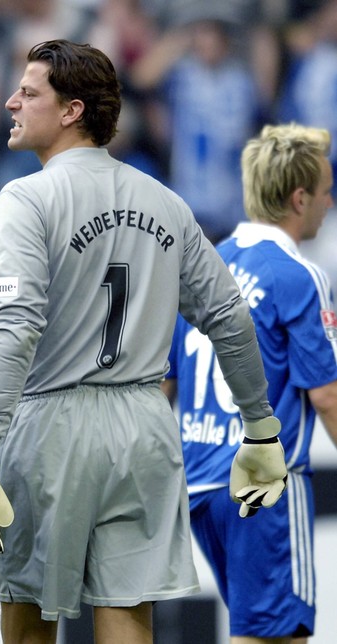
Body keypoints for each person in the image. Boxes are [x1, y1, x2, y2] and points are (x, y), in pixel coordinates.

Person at [0, 39, 287, 644]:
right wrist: (260, 427)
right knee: (128, 617)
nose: (10, 103)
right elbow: (229, 316)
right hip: (145, 423)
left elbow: (15, 324)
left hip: (52, 424)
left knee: (30, 619)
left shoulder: (26, 198)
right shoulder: (165, 201)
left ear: (71, 111)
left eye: (28, 92)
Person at [163, 123, 337, 643]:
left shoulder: (204, 267)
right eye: (326, 191)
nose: (330, 203)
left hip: (202, 488)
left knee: (265, 633)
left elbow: (165, 382)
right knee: (274, 636)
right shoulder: (298, 275)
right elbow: (327, 395)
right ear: (300, 199)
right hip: (265, 486)